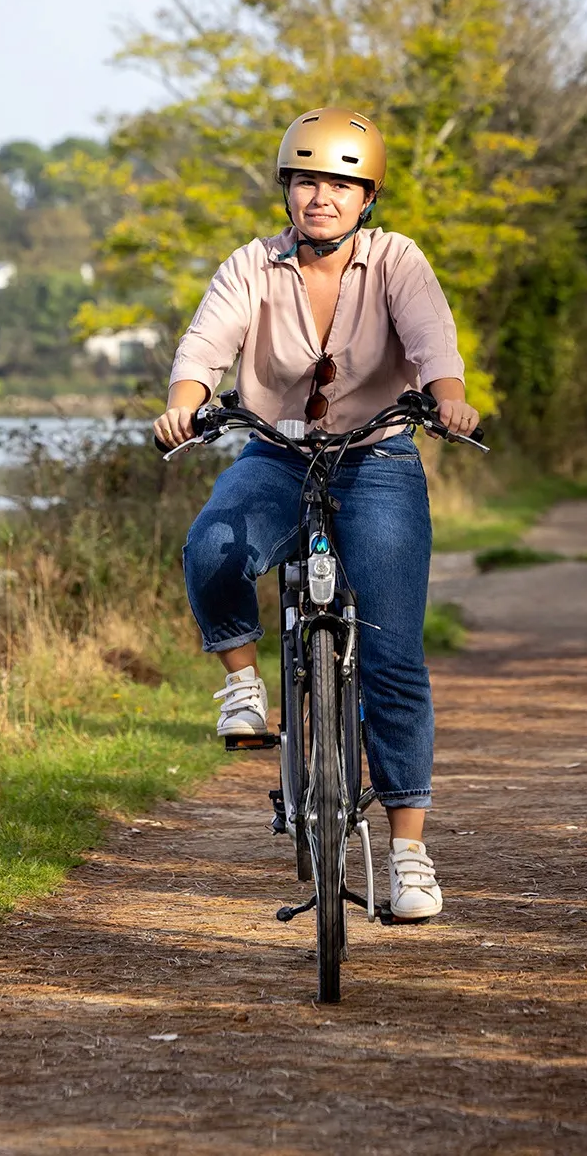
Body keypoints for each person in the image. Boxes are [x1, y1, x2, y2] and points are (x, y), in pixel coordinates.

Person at [154, 107, 479, 922]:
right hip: (274, 451)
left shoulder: (398, 261)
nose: (320, 196)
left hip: (378, 459)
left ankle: (407, 855)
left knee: (393, 659)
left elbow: (433, 342)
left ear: (365, 196)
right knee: (214, 546)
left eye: (339, 182)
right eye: (305, 180)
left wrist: (450, 401)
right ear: (286, 191)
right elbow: (203, 349)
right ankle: (240, 686)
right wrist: (185, 404)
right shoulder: (250, 267)